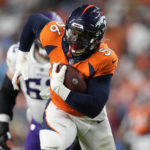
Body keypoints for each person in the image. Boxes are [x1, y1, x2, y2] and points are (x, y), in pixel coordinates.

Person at [12, 4, 118, 150]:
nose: (75, 41)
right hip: (60, 109)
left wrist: (61, 90)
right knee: (51, 144)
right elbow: (33, 20)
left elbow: (94, 106)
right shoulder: (54, 34)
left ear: (97, 38)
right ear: (66, 28)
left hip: (90, 118)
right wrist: (22, 55)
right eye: (73, 33)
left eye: (83, 37)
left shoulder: (104, 59)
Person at [0, 12, 65, 150]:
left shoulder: (69, 60)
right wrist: (3, 123)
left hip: (65, 129)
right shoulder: (19, 55)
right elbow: (7, 91)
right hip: (37, 126)